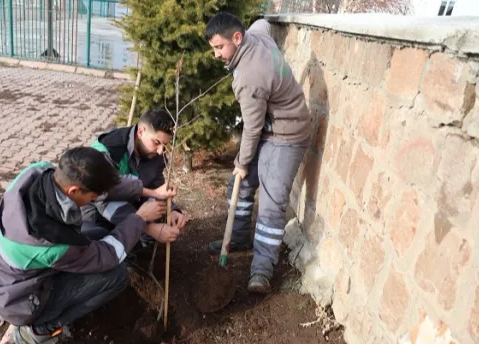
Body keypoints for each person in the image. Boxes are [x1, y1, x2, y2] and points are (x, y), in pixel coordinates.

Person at [0, 146, 166, 344]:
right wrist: (139, 219)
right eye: (93, 196)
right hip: (18, 299)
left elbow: (108, 187)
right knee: (116, 275)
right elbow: (109, 256)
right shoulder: (55, 243)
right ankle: (39, 333)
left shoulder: (38, 173)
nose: (96, 198)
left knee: (98, 234)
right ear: (74, 191)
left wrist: (150, 192)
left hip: (2, 271)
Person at [204, 12, 312, 293]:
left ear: (237, 38)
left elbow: (251, 129)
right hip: (270, 127)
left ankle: (261, 271)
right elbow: (263, 22)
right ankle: (238, 238)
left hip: (287, 136)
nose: (216, 54)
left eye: (219, 47)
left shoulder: (249, 78)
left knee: (271, 204)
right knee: (237, 188)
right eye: (213, 48)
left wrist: (241, 162)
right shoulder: (258, 34)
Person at [82, 108, 188, 249]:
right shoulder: (109, 150)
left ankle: (138, 242)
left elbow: (157, 185)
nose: (160, 151)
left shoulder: (155, 154)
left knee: (154, 210)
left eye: (164, 145)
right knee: (105, 243)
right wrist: (148, 227)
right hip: (97, 210)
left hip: (128, 203)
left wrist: (172, 210)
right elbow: (103, 197)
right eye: (156, 142)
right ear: (141, 132)